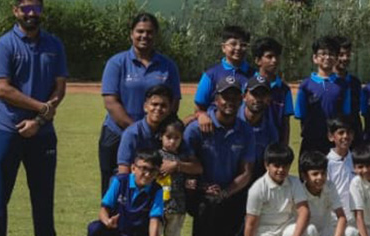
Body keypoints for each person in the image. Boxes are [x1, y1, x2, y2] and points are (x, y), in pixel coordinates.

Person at [0, 0, 71, 236]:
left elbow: (60, 88)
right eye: (26, 9)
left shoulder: (54, 44)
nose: (31, 14)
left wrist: (39, 119)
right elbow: (2, 89)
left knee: (43, 200)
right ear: (15, 11)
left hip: (42, 133)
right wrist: (41, 108)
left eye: (36, 9)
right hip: (7, 132)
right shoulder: (4, 45)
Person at [98, 13, 182, 196]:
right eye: (140, 31)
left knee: (150, 185)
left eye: (149, 32)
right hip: (116, 134)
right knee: (114, 188)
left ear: (156, 35)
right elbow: (111, 102)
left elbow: (174, 102)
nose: (144, 36)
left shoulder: (168, 65)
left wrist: (154, 131)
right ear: (131, 33)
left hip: (154, 137)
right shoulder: (117, 62)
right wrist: (137, 130)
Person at [183, 78, 255, 236]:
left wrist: (225, 192)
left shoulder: (245, 130)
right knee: (207, 205)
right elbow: (186, 165)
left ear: (241, 100)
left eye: (235, 97)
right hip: (198, 193)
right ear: (216, 100)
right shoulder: (196, 129)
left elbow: (246, 172)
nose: (230, 101)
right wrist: (200, 187)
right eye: (225, 97)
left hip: (227, 193)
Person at [243, 143, 314, 236]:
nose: (281, 170)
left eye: (285, 166)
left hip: (285, 231)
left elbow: (304, 211)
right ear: (266, 165)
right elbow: (250, 224)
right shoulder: (257, 188)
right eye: (276, 166)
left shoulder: (294, 182)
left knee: (311, 231)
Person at [299, 149, 353, 236]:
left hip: (325, 234)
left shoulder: (329, 186)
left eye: (323, 173)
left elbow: (342, 217)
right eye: (315, 174)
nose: (320, 177)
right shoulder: (299, 192)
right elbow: (299, 233)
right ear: (304, 176)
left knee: (352, 233)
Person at [155, 116, 197, 236]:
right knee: (155, 234)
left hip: (178, 205)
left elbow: (196, 169)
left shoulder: (182, 158)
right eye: (168, 137)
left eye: (176, 138)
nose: (172, 141)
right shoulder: (156, 157)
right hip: (158, 206)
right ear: (161, 136)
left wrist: (187, 179)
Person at [191, 24, 253, 124]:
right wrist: (202, 115)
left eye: (243, 45)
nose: (238, 48)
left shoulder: (254, 75)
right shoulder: (210, 75)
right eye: (233, 44)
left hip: (246, 129)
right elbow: (199, 108)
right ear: (223, 47)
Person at [113, 84, 175, 176]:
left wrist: (177, 165)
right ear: (145, 107)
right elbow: (123, 170)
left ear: (170, 109)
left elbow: (194, 165)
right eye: (154, 104)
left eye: (163, 105)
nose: (158, 108)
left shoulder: (171, 132)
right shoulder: (132, 134)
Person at [249, 37, 293, 150]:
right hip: (250, 145)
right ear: (258, 60)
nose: (274, 60)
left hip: (273, 148)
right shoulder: (247, 85)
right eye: (269, 56)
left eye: (277, 56)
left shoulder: (284, 90)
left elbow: (285, 123)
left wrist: (284, 148)